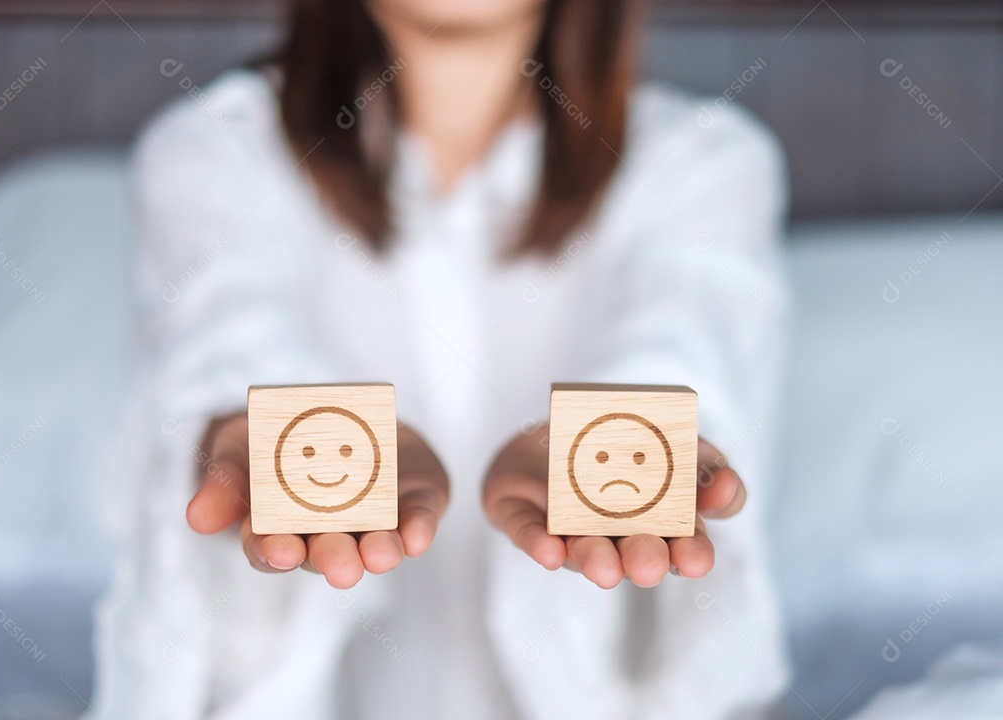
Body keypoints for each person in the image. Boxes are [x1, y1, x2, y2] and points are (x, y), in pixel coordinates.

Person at [89, 0, 790, 717]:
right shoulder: (213, 152)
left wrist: (625, 438)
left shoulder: (705, 161)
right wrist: (244, 424)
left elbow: (680, 340)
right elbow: (227, 327)